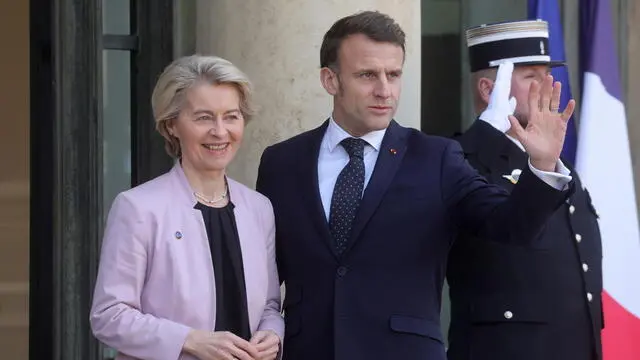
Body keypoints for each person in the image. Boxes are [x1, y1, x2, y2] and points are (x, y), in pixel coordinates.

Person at [256, 11, 576, 360]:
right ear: (330, 80)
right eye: (367, 75)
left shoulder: (435, 158)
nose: (384, 90)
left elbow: (511, 225)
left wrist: (542, 166)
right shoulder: (282, 163)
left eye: (393, 75)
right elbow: (260, 276)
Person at [90, 55, 284, 360]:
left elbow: (270, 305)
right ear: (172, 126)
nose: (220, 132)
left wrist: (273, 334)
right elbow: (109, 315)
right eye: (204, 117)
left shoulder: (259, 208)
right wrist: (188, 340)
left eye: (231, 116)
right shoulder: (138, 208)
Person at [446, 20, 603, 360]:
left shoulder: (559, 166)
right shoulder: (460, 161)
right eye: (532, 76)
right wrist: (488, 130)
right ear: (490, 91)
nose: (548, 85)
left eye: (548, 73)